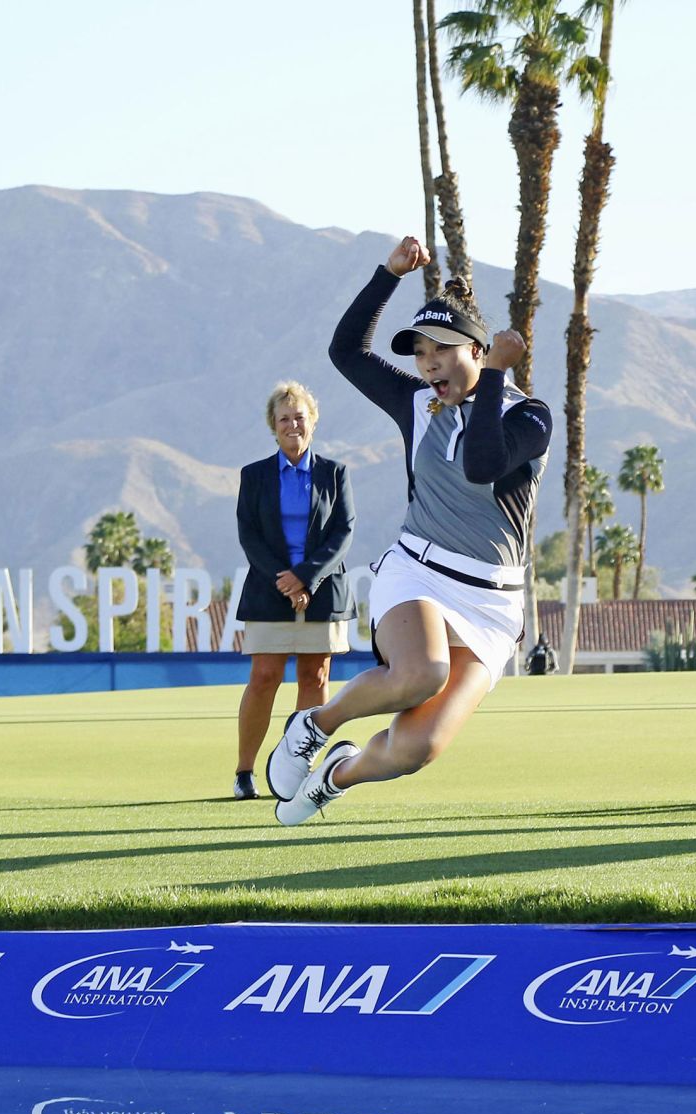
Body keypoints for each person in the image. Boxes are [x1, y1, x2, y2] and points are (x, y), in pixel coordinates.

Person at [264, 235, 551, 823]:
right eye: (420, 351)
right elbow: (346, 351)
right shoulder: (417, 403)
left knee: (418, 749)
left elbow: (482, 462)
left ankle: (335, 776)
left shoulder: (530, 415)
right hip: (416, 570)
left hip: (492, 605)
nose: (428, 363)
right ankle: (314, 725)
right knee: (421, 673)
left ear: (477, 350)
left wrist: (496, 376)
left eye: (442, 349)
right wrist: (387, 275)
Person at [232, 380, 355, 800]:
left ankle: (296, 770)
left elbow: (343, 534)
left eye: (299, 417)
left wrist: (306, 577)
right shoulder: (254, 476)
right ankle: (244, 772)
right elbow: (249, 537)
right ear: (274, 425)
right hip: (270, 590)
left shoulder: (334, 473)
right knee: (264, 677)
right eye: (284, 419)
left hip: (321, 589)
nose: (292, 425)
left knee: (314, 675)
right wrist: (285, 580)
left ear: (312, 421)